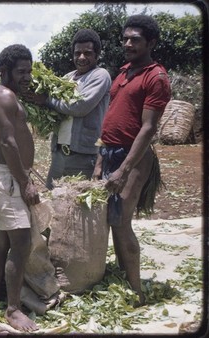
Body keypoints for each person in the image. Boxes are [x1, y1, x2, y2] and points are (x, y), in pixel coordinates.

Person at [92, 15, 171, 306]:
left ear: (150, 42)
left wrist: (124, 170)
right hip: (110, 152)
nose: (127, 43)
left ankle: (136, 291)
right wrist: (101, 159)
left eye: (135, 39)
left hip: (133, 157)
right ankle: (123, 279)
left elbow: (148, 128)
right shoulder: (124, 72)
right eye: (125, 38)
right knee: (111, 219)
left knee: (121, 221)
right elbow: (112, 118)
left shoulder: (156, 77)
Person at [0, 44, 40, 332]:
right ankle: (13, 309)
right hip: (8, 179)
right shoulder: (4, 96)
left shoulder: (8, 95)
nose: (27, 76)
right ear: (3, 71)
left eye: (29, 70)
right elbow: (7, 142)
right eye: (21, 71)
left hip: (6, 176)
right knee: (21, 243)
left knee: (4, 239)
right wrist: (25, 182)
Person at [22, 29, 112, 190]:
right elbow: (56, 109)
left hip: (83, 155)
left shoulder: (100, 75)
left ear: (97, 55)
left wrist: (46, 100)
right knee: (53, 197)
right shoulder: (68, 77)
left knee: (75, 203)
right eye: (77, 53)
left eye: (87, 53)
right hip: (59, 152)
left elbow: (79, 107)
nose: (82, 57)